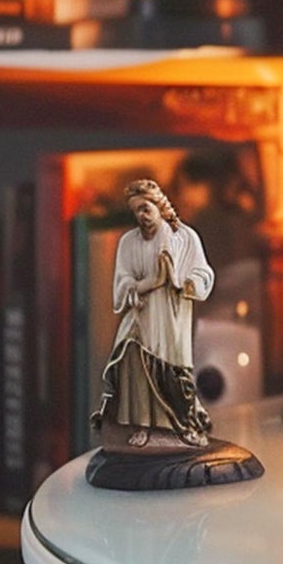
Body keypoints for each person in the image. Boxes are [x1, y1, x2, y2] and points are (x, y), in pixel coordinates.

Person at [92, 179, 216, 448]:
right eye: (136, 211)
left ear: (160, 206)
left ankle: (185, 426)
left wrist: (181, 282)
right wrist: (148, 283)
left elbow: (204, 274)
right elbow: (122, 282)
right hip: (141, 319)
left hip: (171, 321)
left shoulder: (184, 238)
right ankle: (143, 426)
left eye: (146, 208)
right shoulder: (128, 243)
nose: (141, 216)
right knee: (135, 366)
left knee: (174, 375)